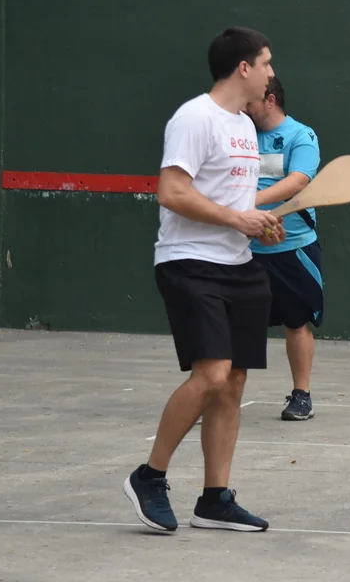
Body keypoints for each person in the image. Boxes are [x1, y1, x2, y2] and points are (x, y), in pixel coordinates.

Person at [123, 27, 285, 534]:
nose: (271, 73)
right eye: (266, 63)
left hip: (240, 265)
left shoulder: (244, 126)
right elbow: (172, 192)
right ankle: (149, 476)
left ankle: (215, 499)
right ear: (243, 67)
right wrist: (238, 219)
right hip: (190, 262)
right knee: (212, 374)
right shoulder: (195, 117)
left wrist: (258, 222)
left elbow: (233, 200)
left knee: (233, 383)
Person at [245, 76, 324, 421]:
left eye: (251, 101)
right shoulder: (240, 135)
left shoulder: (300, 135)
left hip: (293, 248)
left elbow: (298, 181)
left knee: (296, 322)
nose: (244, 107)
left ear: (271, 100)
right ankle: (217, 394)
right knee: (233, 324)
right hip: (243, 248)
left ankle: (301, 396)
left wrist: (250, 202)